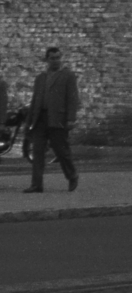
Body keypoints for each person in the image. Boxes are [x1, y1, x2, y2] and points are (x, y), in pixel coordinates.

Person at [23, 46, 80, 193]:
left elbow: (72, 98)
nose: (56, 61)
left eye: (58, 58)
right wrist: (29, 122)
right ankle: (37, 184)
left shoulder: (68, 76)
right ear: (47, 60)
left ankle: (72, 175)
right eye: (52, 58)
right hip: (40, 118)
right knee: (37, 152)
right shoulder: (41, 78)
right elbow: (35, 100)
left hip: (58, 119)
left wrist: (70, 118)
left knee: (61, 150)